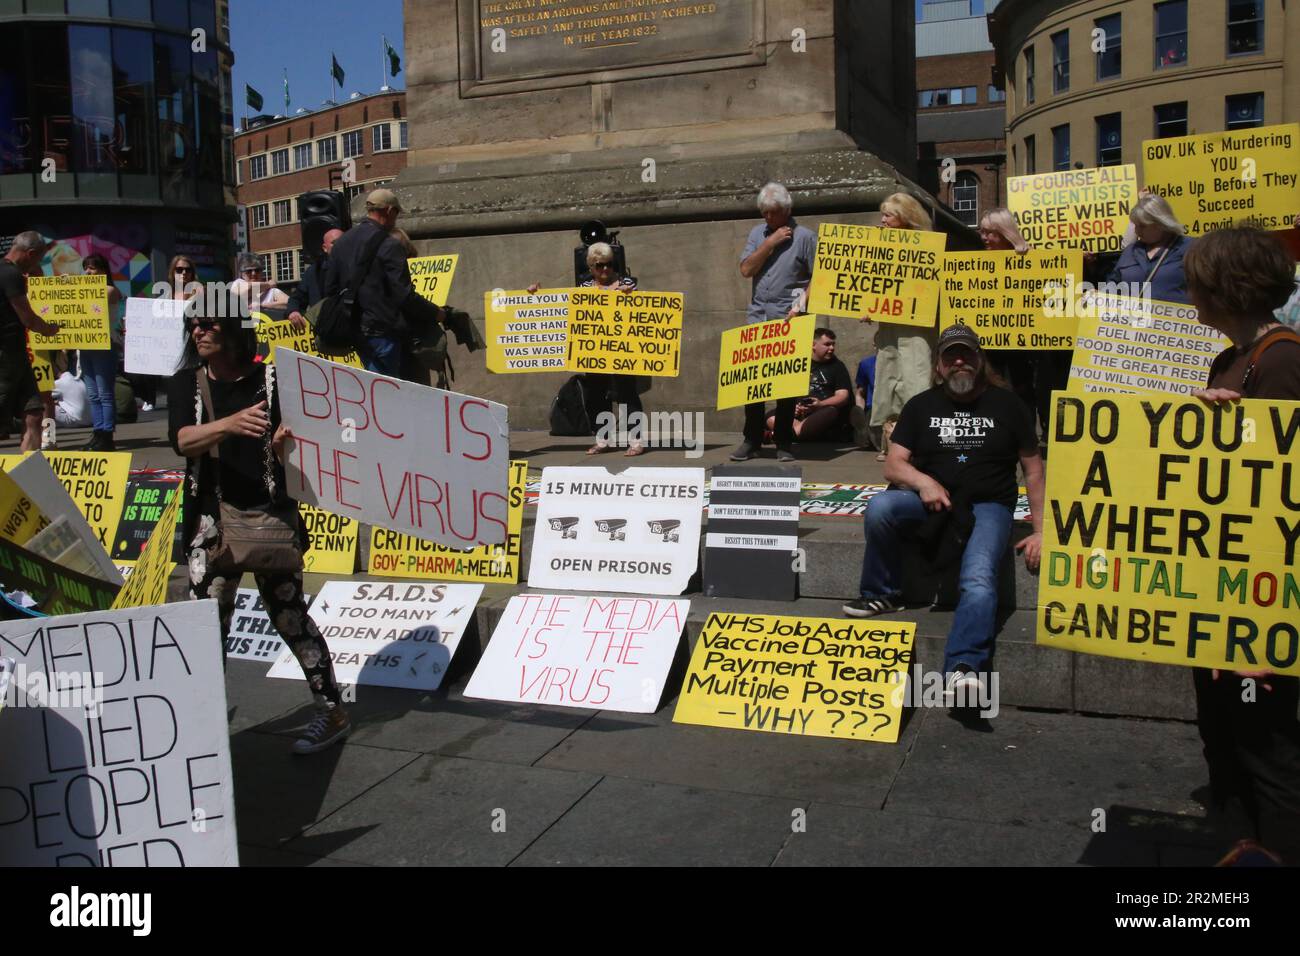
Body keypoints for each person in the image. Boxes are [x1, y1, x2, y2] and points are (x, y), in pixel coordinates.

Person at [167, 308, 350, 754]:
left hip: (268, 517)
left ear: (233, 330)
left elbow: (300, 448)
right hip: (210, 523)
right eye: (194, 324)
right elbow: (182, 440)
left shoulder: (271, 380)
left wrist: (283, 443)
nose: (200, 330)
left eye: (209, 323)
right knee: (207, 626)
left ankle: (331, 709)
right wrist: (228, 425)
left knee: (289, 616)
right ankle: (201, 726)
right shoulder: (186, 382)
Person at [844, 325, 1044, 709]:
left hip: (989, 506)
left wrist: (1041, 532)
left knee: (979, 577)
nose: (959, 362)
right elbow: (894, 466)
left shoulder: (1009, 405)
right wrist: (924, 483)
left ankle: (965, 666)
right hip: (933, 502)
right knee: (882, 506)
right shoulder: (921, 405)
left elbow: (1033, 472)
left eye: (966, 354)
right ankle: (881, 593)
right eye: (950, 356)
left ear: (980, 360)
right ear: (938, 365)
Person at [1184, 226, 1300, 865]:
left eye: (1197, 281)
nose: (1189, 292)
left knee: (1267, 745)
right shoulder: (1229, 360)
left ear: (1224, 287)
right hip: (1223, 588)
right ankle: (1239, 846)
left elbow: (1279, 498)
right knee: (1222, 732)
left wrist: (1264, 628)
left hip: (1260, 599)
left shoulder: (1281, 360)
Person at [733, 182, 817, 462]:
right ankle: (751, 439)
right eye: (764, 213)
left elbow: (819, 278)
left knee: (785, 387)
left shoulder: (805, 237)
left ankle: (783, 442)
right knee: (752, 384)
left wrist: (800, 307)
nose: (768, 218)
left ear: (787, 210)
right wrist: (769, 243)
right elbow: (746, 269)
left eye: (773, 213)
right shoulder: (758, 234)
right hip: (758, 317)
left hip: (789, 318)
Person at [868, 193, 942, 436]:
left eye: (888, 215)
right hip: (889, 326)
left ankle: (919, 434)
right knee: (889, 379)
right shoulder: (880, 245)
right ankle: (891, 439)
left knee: (916, 378)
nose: (882, 220)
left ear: (905, 216)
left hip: (917, 328)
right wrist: (868, 306)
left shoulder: (927, 246)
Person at [325, 188, 417, 380]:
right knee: (387, 389)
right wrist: (435, 312)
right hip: (383, 329)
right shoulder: (390, 244)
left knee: (372, 383)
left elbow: (331, 288)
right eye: (397, 213)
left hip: (354, 329)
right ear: (390, 211)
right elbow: (403, 294)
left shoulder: (342, 242)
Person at [0, 231, 60, 451]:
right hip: (6, 357)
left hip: (19, 356)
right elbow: (28, 318)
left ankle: (30, 475)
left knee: (35, 413)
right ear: (30, 253)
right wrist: (50, 329)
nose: (35, 266)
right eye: (37, 259)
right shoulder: (11, 274)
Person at [1107, 192, 1193, 304]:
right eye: (1136, 226)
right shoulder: (1130, 252)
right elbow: (1112, 285)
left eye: (1142, 226)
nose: (1137, 231)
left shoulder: (1191, 249)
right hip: (1133, 319)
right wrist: (1098, 295)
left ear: (1161, 223)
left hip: (1173, 319)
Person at [769, 327, 851, 443]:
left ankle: (778, 436)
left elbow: (843, 397)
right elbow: (785, 390)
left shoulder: (837, 366)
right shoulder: (798, 363)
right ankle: (795, 434)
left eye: (833, 344)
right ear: (813, 345)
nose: (831, 348)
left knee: (831, 411)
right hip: (798, 415)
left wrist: (820, 404)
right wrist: (793, 408)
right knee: (771, 416)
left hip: (821, 412)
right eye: (827, 344)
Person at [79, 253, 123, 450]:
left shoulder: (110, 290)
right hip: (86, 344)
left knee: (105, 392)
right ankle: (98, 432)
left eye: (93, 268)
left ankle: (107, 434)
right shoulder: (85, 289)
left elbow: (99, 294)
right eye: (86, 268)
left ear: (103, 271)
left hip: (105, 344)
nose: (88, 272)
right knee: (92, 394)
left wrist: (72, 285)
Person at [286, 228, 343, 330]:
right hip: (326, 332)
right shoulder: (314, 272)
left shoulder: (359, 266)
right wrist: (293, 312)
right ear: (325, 248)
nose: (341, 245)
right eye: (335, 243)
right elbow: (297, 298)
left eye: (344, 241)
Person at [231, 253, 289, 317]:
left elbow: (290, 304)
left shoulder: (271, 291)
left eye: (257, 270)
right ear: (242, 274)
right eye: (249, 271)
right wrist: (268, 284)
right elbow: (248, 289)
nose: (253, 273)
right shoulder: (237, 284)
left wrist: (262, 306)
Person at [851, 343, 878, 451]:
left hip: (890, 408)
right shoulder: (866, 364)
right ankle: (864, 432)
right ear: (875, 345)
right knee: (871, 415)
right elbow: (860, 392)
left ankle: (869, 436)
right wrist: (859, 411)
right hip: (872, 408)